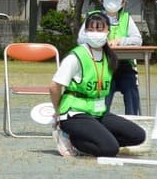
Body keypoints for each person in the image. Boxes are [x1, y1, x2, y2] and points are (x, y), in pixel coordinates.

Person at [48, 10, 147, 157]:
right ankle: (70, 138)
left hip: (98, 112)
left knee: (138, 135)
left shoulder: (109, 56)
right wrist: (58, 111)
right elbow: (54, 86)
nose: (95, 33)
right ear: (85, 32)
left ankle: (95, 138)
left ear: (108, 31)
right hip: (75, 112)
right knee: (110, 149)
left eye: (100, 29)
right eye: (91, 29)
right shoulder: (76, 56)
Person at [98, 0, 143, 115]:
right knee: (104, 92)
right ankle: (100, 122)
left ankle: (133, 121)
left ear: (123, 2)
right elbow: (82, 38)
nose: (112, 0)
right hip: (101, 66)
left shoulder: (126, 19)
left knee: (131, 89)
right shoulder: (94, 16)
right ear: (102, 0)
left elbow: (137, 40)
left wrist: (120, 41)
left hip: (124, 65)